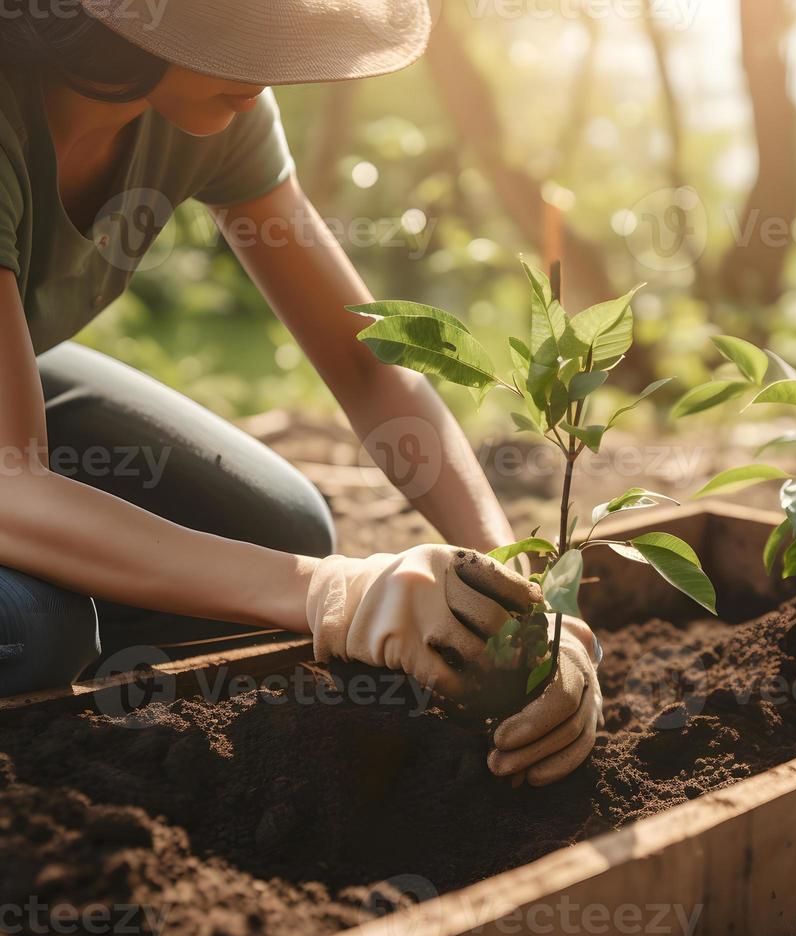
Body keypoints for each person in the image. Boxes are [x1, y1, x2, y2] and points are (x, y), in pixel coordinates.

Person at [0, 0, 601, 785]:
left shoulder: (208, 101)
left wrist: (514, 590)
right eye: (240, 31)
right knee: (37, 629)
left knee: (280, 524)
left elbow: (367, 368)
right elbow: (12, 484)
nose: (270, 65)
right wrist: (329, 595)